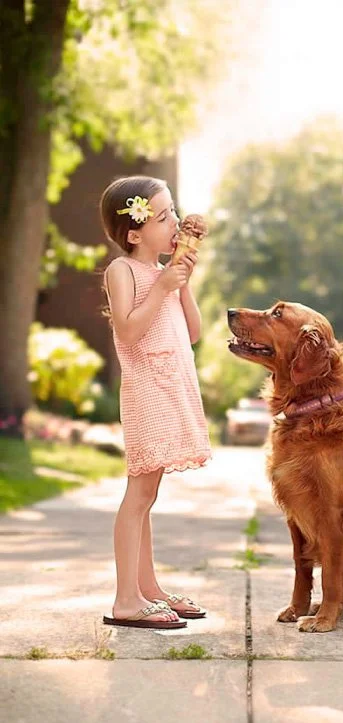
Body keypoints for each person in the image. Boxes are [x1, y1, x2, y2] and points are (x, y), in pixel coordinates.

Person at [99, 175, 211, 629]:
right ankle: (126, 598)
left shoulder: (166, 274)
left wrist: (182, 283)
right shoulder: (122, 271)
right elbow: (127, 330)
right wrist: (163, 285)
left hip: (171, 389)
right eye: (163, 216)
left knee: (149, 494)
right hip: (147, 390)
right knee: (139, 493)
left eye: (174, 213)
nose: (175, 223)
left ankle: (149, 589)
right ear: (134, 232)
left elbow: (195, 333)